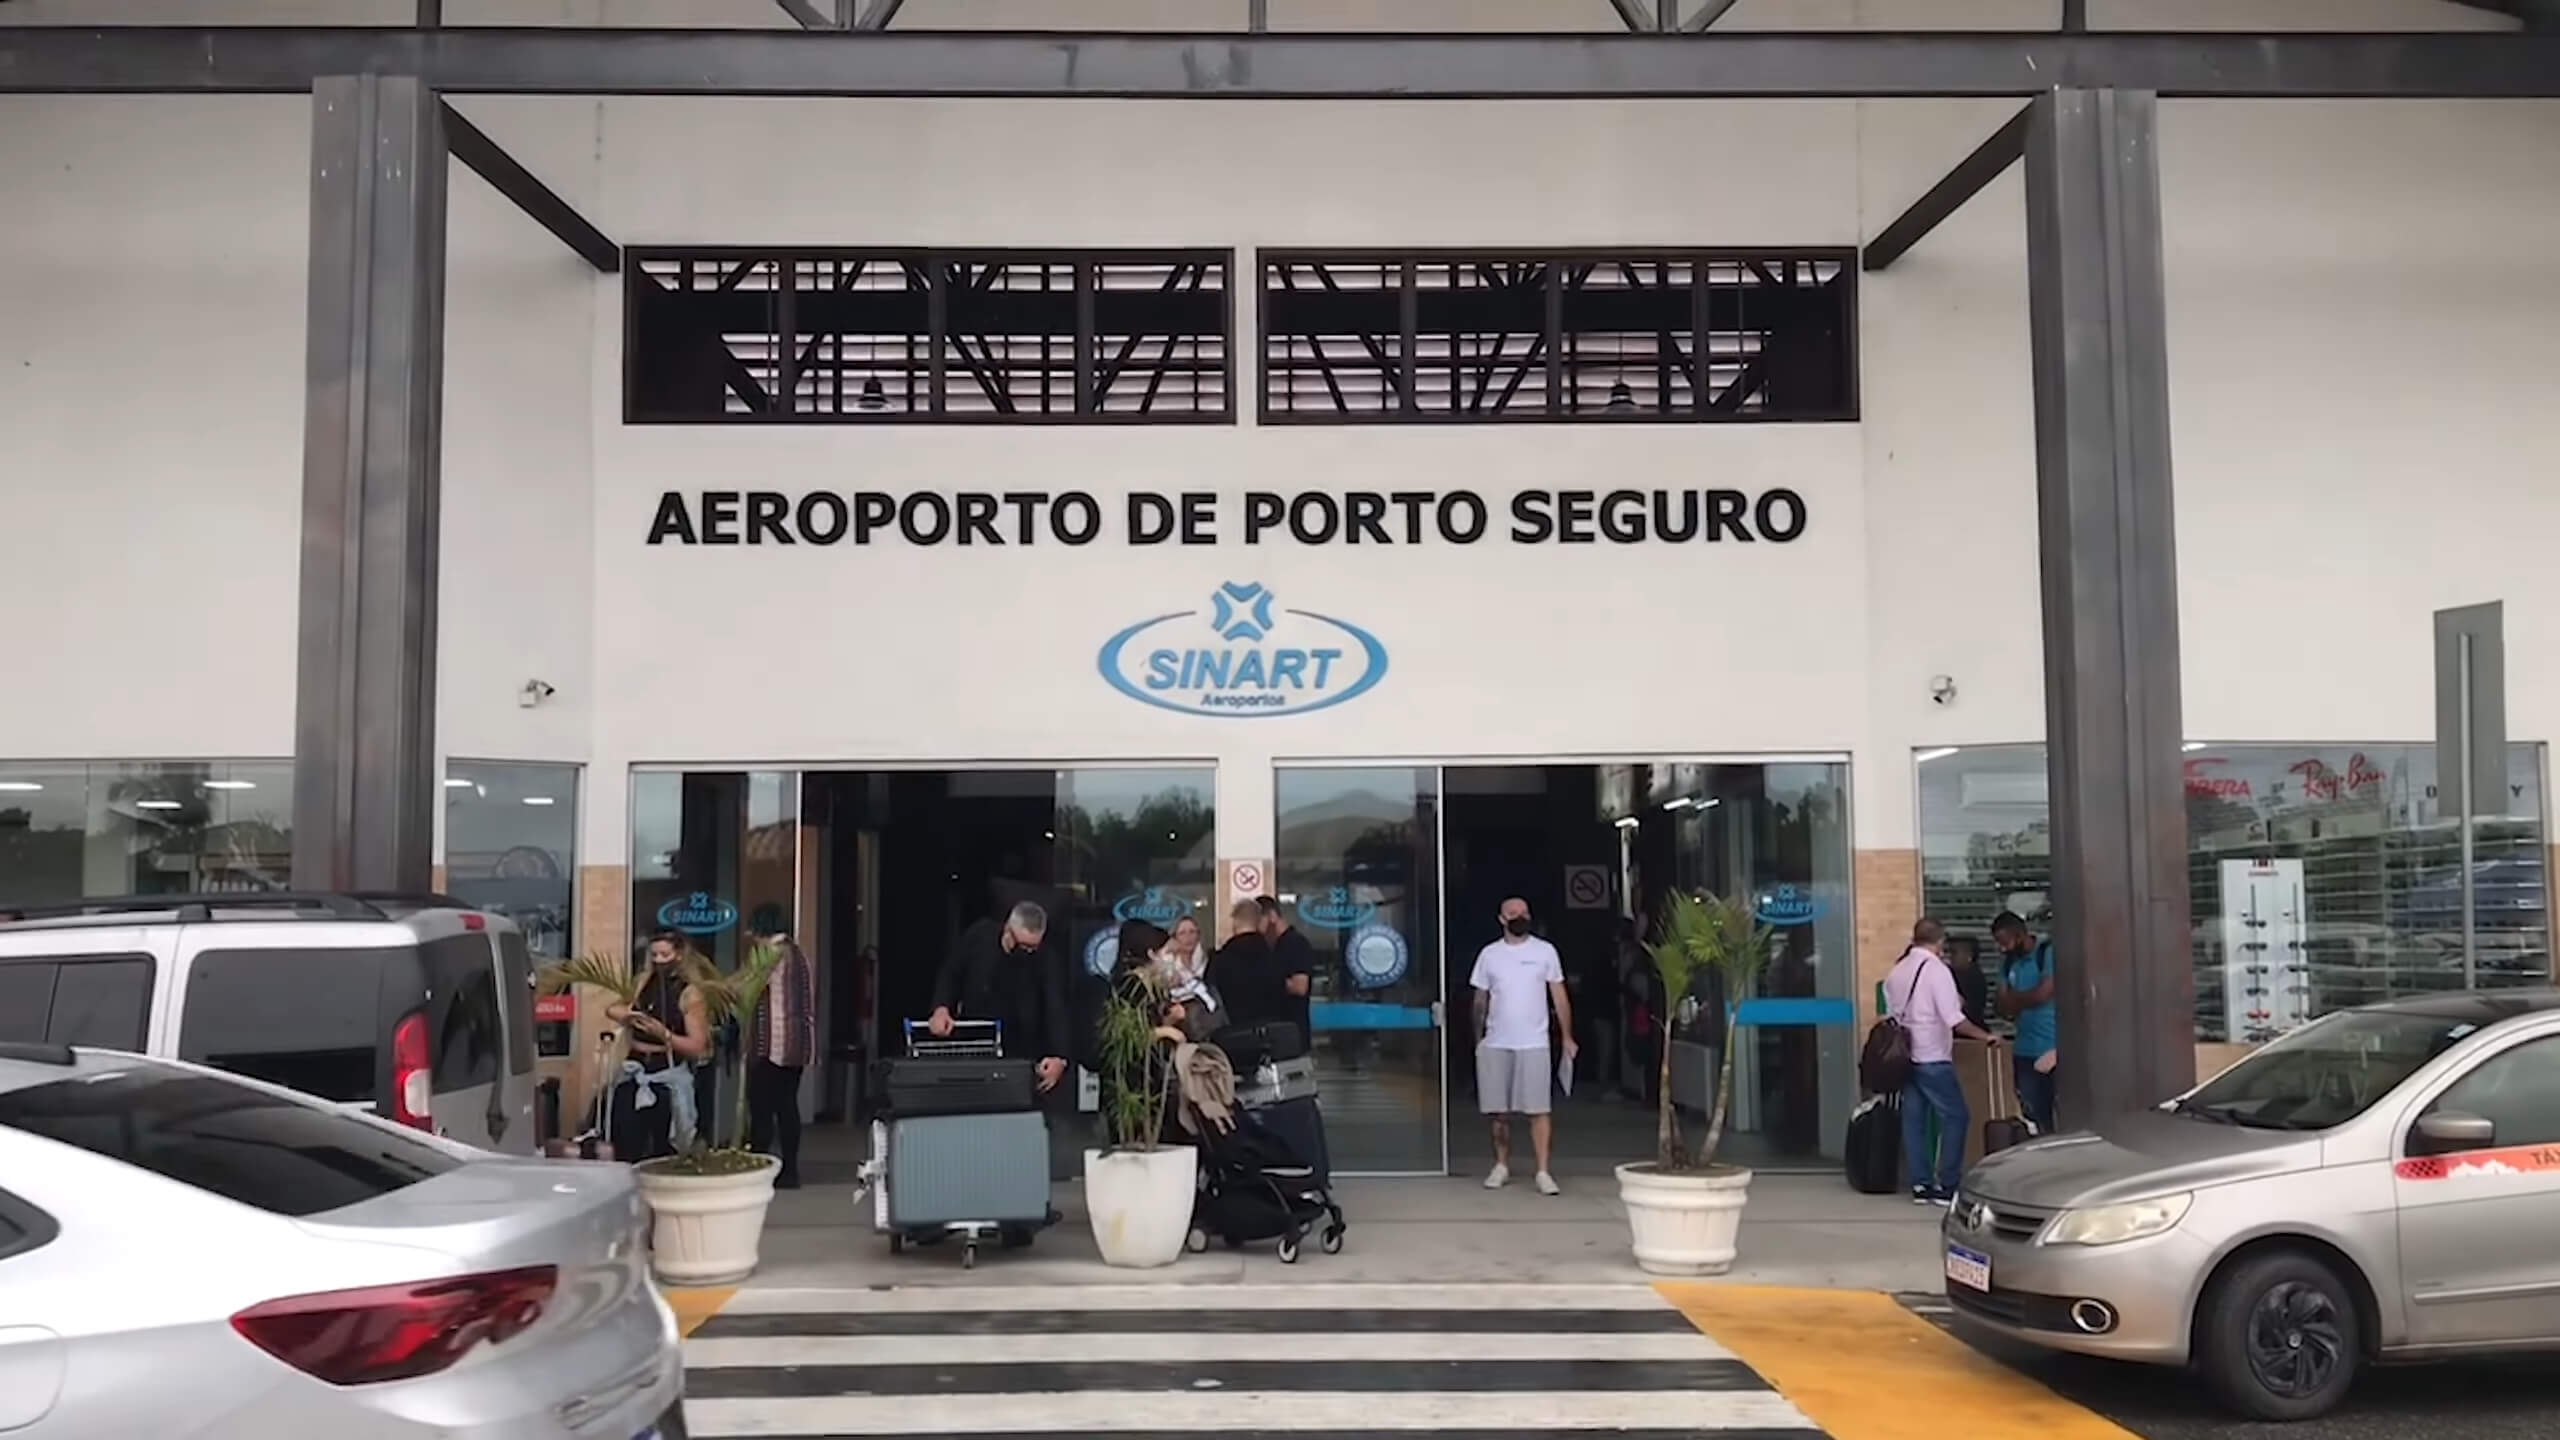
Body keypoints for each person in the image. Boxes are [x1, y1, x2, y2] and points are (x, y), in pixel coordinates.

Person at [1889, 918, 1999, 1206]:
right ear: (1940, 942)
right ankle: (1947, 1184)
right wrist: (1985, 1036)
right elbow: (1954, 1019)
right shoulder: (1937, 971)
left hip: (1905, 1057)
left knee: (1914, 1121)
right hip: (1932, 1055)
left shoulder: (1898, 970)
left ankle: (1921, 1184)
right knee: (1956, 1116)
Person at [1471, 897, 1575, 1195]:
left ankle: (1543, 1171)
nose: (1520, 917)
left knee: (1539, 1109)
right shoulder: (1489, 955)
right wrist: (1477, 1038)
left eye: (1524, 912)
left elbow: (1559, 996)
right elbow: (1480, 1000)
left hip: (1534, 1043)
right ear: (1501, 919)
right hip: (1496, 1041)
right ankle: (1501, 1165)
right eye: (1513, 913)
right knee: (1498, 1111)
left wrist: (1567, 1036)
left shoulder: (1545, 952)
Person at [927, 901, 1069, 1096]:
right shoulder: (979, 935)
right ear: (1007, 931)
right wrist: (941, 1008)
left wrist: (1058, 1057)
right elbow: (951, 972)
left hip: (1020, 1048)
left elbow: (1056, 1007)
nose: (1028, 952)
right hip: (974, 1041)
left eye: (1033, 947)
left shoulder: (1046, 958)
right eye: (1023, 946)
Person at [607, 930, 711, 1161]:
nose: (658, 961)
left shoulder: (690, 992)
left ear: (679, 955)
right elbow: (612, 1008)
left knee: (662, 1147)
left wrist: (663, 1034)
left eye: (665, 954)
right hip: (635, 1068)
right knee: (625, 1138)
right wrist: (628, 1016)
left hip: (667, 1072)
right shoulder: (642, 982)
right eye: (654, 955)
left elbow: (697, 1045)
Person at [745, 912, 818, 1189]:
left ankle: (761, 1168)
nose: (750, 937)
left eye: (753, 931)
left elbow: (747, 988)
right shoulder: (799, 955)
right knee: (788, 1106)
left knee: (762, 1107)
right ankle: (790, 1169)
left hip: (773, 1044)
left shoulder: (772, 955)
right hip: (797, 1044)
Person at [1993, 911, 2059, 1134]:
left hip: (2051, 1048)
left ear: (2020, 934)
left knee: (2056, 1112)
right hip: (2023, 1050)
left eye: (2005, 942)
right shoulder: (2008, 963)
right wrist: (2022, 1000)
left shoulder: (2046, 953)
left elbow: (2045, 993)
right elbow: (2000, 1006)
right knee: (2031, 1114)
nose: (2003, 948)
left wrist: (2015, 1000)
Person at [1943, 934, 1994, 1029]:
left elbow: (1969, 1011)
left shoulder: (1971, 977)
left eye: (1954, 953)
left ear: (1968, 955)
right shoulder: (1952, 973)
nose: (1949, 956)